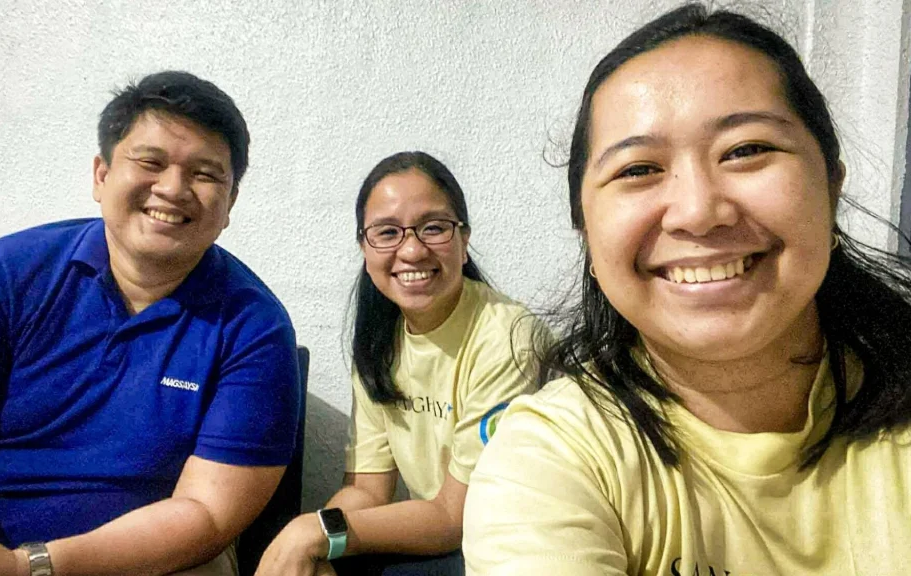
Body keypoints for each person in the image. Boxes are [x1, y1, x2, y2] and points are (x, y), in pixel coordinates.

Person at [463, 4, 911, 575]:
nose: (698, 212)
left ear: (831, 186)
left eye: (747, 150)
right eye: (638, 169)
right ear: (586, 230)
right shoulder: (550, 459)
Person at [0, 70, 301, 576]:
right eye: (150, 162)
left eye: (205, 174)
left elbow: (208, 514)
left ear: (230, 203)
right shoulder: (7, 275)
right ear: (101, 176)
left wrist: (30, 567)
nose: (172, 188)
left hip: (155, 562)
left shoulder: (255, 327)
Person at [255, 151, 540, 576]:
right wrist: (316, 543)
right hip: (444, 539)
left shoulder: (509, 337)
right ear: (364, 249)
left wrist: (314, 532)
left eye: (433, 228)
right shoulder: (378, 341)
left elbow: (455, 515)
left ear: (463, 241)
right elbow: (368, 491)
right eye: (387, 232)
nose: (411, 249)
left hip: (510, 547)